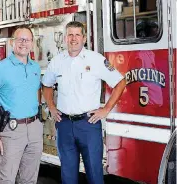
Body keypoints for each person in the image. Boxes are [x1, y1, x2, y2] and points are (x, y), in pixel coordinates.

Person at [42, 21, 126, 184]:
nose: (73, 39)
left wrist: (106, 109)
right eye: (70, 35)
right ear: (65, 38)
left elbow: (120, 82)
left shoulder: (96, 60)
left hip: (88, 124)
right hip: (64, 124)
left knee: (94, 175)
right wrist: (51, 107)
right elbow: (46, 85)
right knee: (68, 177)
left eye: (77, 35)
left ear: (84, 38)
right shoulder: (57, 61)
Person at [0, 25, 43, 184]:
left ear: (32, 43)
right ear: (12, 43)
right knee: (7, 179)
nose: (24, 43)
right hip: (11, 130)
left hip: (34, 129)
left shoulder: (35, 67)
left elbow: (36, 92)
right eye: (20, 39)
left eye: (27, 40)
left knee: (29, 179)